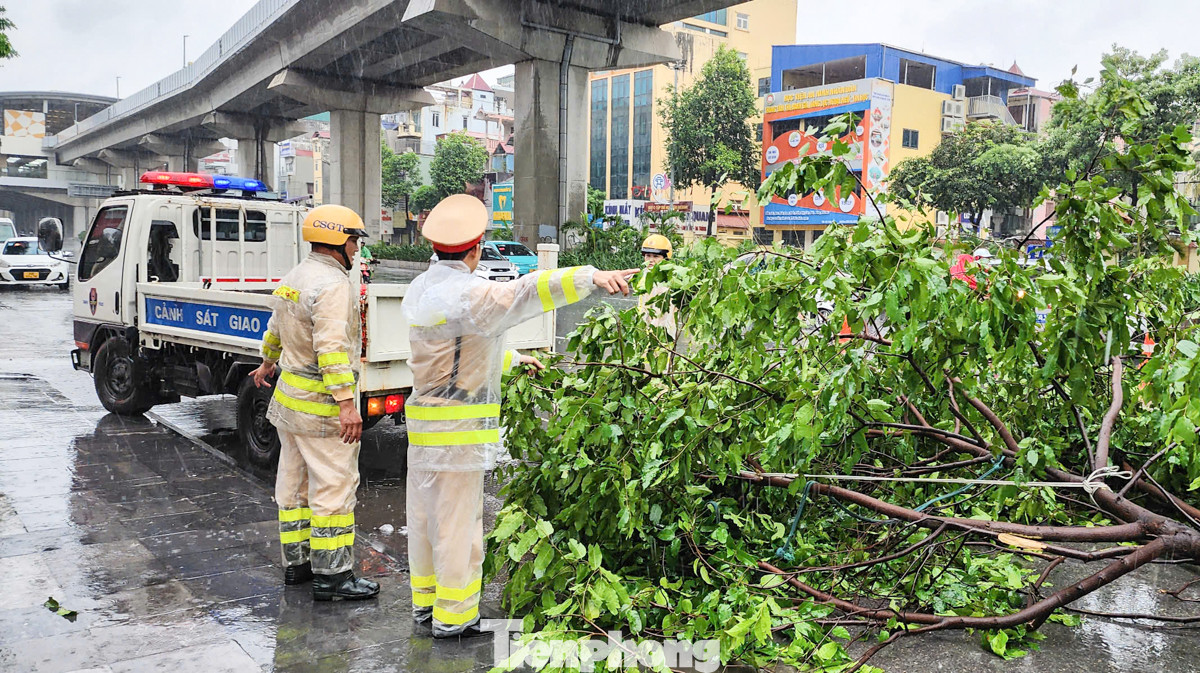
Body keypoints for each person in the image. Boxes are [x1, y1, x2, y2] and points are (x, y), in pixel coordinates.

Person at [402, 194, 637, 638]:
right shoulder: (473, 294)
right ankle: (454, 618)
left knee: (425, 519)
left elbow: (454, 349)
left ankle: (425, 604)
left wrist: (510, 360)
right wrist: (590, 276)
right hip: (457, 434)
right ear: (475, 249)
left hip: (424, 428)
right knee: (457, 528)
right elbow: (526, 290)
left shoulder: (423, 289)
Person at [248, 204, 380, 602]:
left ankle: (298, 564)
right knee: (334, 488)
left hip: (290, 406)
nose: (357, 248)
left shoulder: (295, 277)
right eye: (354, 241)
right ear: (338, 241)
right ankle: (333, 575)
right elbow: (331, 350)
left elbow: (275, 328)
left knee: (294, 487)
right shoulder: (334, 285)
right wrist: (346, 404)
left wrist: (267, 363)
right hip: (321, 410)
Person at [638, 234, 678, 338]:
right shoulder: (643, 275)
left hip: (662, 332)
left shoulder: (669, 280)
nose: (651, 260)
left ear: (665, 258)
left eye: (656, 256)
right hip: (643, 328)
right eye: (648, 255)